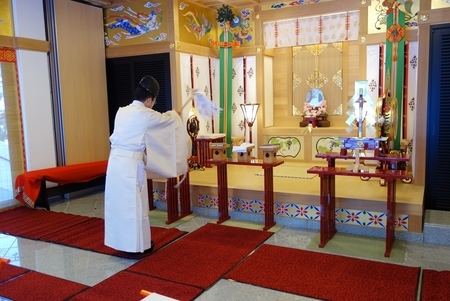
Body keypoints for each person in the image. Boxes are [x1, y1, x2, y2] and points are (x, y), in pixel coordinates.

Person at [104, 75, 182, 253]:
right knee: (135, 207)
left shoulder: (121, 111)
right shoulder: (146, 114)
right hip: (131, 165)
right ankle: (137, 247)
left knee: (118, 206)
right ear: (149, 99)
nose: (152, 104)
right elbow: (166, 121)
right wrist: (174, 115)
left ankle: (120, 244)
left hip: (114, 163)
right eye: (153, 101)